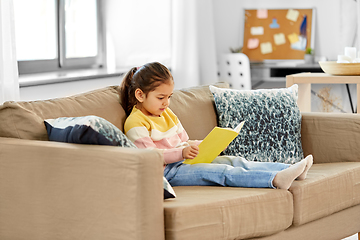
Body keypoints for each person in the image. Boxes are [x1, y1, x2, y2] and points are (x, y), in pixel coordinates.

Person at [119, 62, 313, 190]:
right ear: (139, 95)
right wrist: (181, 153)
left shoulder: (166, 113)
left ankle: (289, 168)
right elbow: (150, 157)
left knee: (235, 161)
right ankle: (274, 179)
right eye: (161, 98)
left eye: (169, 97)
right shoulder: (135, 123)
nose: (166, 103)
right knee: (222, 173)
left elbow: (184, 142)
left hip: (183, 161)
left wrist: (206, 144)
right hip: (167, 172)